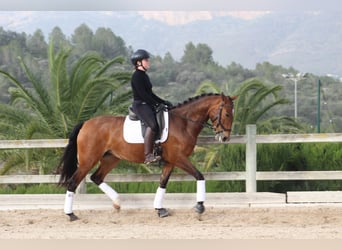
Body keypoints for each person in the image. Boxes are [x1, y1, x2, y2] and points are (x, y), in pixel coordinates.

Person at [130, 49, 172, 164]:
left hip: (146, 103)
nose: (148, 62)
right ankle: (148, 155)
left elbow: (150, 94)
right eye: (146, 60)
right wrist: (156, 104)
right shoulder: (137, 76)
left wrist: (163, 102)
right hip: (140, 105)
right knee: (153, 125)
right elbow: (143, 95)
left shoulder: (144, 75)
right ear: (138, 62)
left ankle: (158, 149)